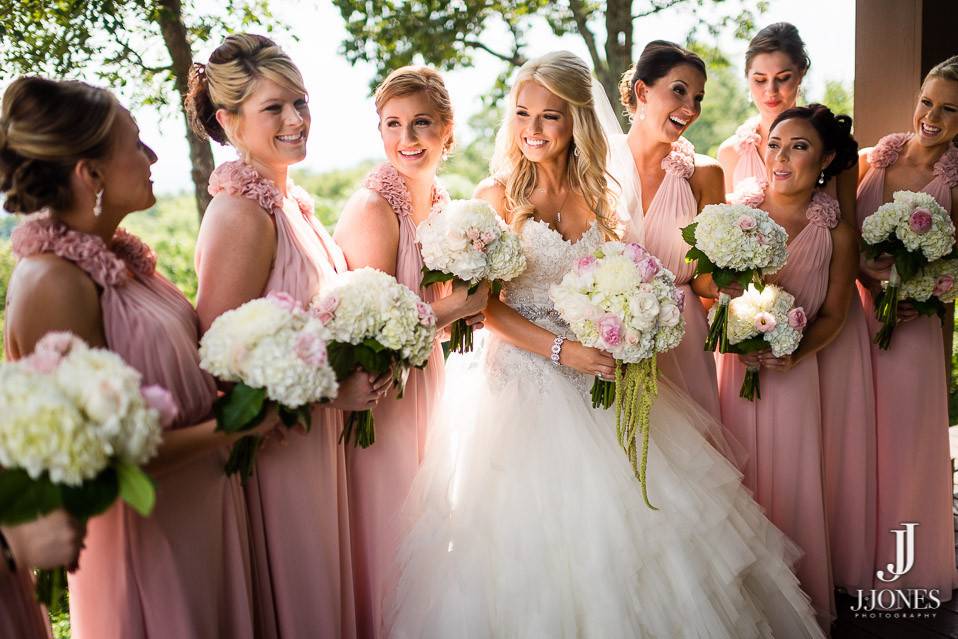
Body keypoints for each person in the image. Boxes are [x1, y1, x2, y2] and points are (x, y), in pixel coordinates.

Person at [382, 51, 825, 639]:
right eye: (523, 115)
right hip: (522, 384)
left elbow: (621, 275)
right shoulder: (497, 197)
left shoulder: (603, 191)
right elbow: (486, 309)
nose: (533, 130)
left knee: (643, 529)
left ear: (577, 123)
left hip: (603, 377)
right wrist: (565, 353)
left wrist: (625, 328)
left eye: (550, 117)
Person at [2, 76, 262, 638]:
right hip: (147, 537)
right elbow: (90, 458)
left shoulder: (122, 262)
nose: (153, 156)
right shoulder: (54, 281)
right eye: (137, 143)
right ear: (89, 174)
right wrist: (237, 425)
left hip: (204, 513)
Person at [189, 34, 387, 638]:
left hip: (321, 442)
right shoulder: (241, 214)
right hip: (283, 452)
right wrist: (329, 392)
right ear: (228, 121)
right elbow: (221, 364)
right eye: (274, 108)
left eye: (300, 102)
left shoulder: (286, 201)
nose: (297, 120)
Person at [333, 65, 489, 638]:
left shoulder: (443, 205)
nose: (408, 138)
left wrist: (471, 306)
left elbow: (432, 323)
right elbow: (374, 336)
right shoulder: (375, 208)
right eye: (393, 125)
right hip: (383, 396)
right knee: (391, 528)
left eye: (422, 123)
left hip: (429, 380)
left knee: (429, 528)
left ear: (448, 131)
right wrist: (456, 308)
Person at [718, 104, 860, 625]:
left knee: (792, 489)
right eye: (775, 144)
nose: (780, 157)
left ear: (824, 159)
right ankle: (738, 610)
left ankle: (794, 609)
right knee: (736, 481)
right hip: (733, 373)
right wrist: (727, 311)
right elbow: (707, 285)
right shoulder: (737, 215)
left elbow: (835, 313)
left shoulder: (838, 234)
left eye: (799, 147)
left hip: (793, 377)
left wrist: (794, 351)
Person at [855, 54, 958, 598]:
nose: (932, 116)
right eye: (927, 101)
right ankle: (856, 558)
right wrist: (861, 272)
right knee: (858, 440)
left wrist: (932, 290)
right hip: (857, 321)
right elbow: (839, 235)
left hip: (913, 327)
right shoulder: (873, 159)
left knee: (906, 445)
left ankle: (907, 569)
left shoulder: (956, 184)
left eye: (949, 109)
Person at [616, 40, 724, 417]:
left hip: (683, 337)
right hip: (611, 337)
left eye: (698, 98)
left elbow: (704, 281)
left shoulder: (706, 174)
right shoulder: (594, 165)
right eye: (679, 90)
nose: (691, 108)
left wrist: (734, 280)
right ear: (642, 91)